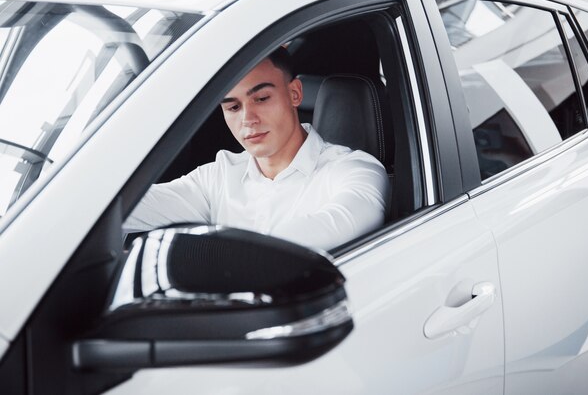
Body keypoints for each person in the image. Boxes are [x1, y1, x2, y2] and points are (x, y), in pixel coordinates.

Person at [124, 47, 389, 251]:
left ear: (295, 94)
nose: (248, 119)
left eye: (261, 99)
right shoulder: (218, 176)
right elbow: (121, 210)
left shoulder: (353, 170)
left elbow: (345, 221)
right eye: (233, 107)